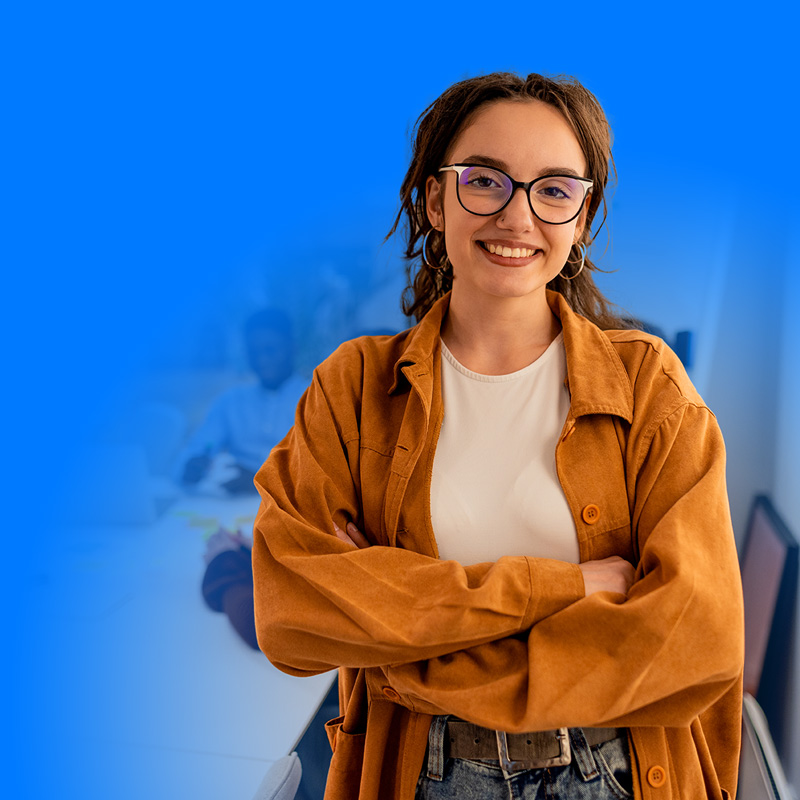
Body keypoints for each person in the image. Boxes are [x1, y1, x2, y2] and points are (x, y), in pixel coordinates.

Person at [251, 72, 744, 800]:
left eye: (553, 189)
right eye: (485, 180)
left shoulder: (650, 389)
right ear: (434, 198)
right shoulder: (352, 390)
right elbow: (291, 609)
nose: (518, 217)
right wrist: (567, 587)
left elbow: (694, 640)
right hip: (421, 775)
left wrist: (401, 652)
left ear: (582, 216)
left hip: (612, 773)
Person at [173, 307, 307, 495]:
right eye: (254, 352)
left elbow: (327, 471)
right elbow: (196, 449)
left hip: (296, 510)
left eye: (270, 350)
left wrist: (262, 481)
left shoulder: (318, 400)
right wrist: (192, 465)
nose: (262, 360)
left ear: (293, 347)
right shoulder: (230, 402)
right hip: (234, 509)